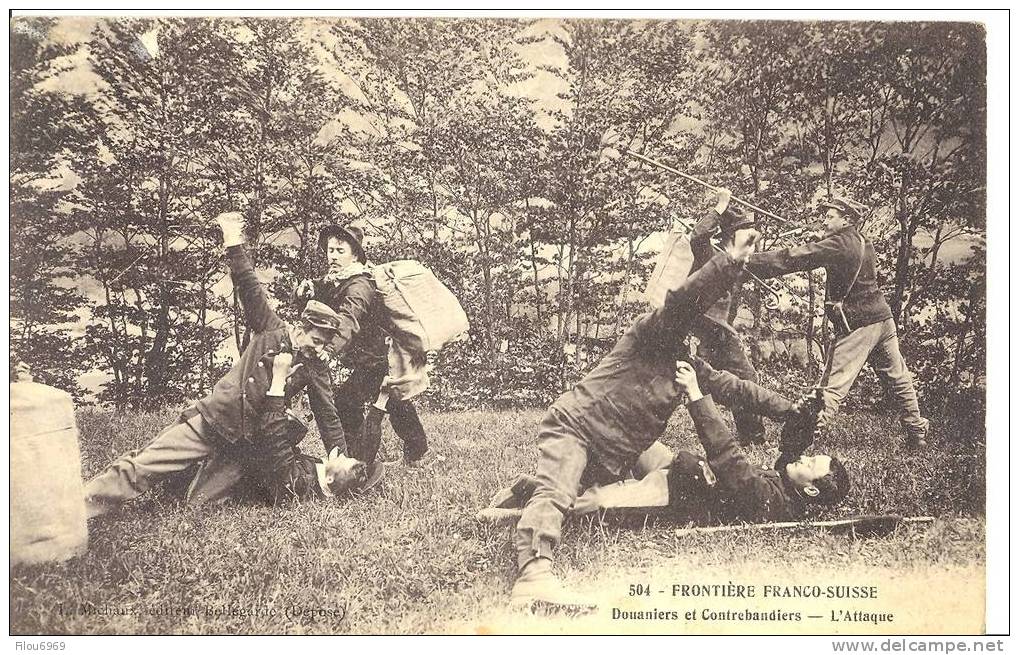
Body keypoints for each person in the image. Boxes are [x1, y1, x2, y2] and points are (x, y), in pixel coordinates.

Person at [507, 228, 762, 610]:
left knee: (566, 492)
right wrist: (728, 261)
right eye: (700, 323)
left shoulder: (685, 361)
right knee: (557, 494)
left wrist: (794, 410)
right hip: (576, 426)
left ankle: (522, 492)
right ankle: (534, 576)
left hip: (609, 452)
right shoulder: (653, 329)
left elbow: (737, 389)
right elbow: (682, 301)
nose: (702, 335)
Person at [83, 212, 372, 518]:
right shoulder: (270, 330)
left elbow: (328, 413)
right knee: (145, 465)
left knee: (198, 505)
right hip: (215, 421)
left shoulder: (314, 365)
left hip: (243, 446)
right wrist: (232, 240)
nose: (317, 349)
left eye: (324, 344)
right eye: (314, 340)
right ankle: (82, 504)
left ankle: (186, 481)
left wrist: (338, 453)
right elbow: (248, 285)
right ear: (300, 329)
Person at [485, 363, 848, 526]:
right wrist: (804, 413)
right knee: (629, 440)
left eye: (812, 462)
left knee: (594, 503)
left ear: (812, 492)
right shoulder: (789, 483)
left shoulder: (772, 502)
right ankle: (549, 484)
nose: (805, 456)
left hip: (676, 493)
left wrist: (696, 397)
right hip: (680, 467)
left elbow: (729, 459)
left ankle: (525, 506)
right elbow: (791, 450)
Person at [747, 197, 929, 448]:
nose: (824, 219)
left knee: (833, 385)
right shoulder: (863, 240)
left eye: (830, 216)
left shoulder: (839, 245)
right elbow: (826, 249)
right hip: (883, 319)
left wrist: (747, 261)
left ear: (846, 219)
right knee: (898, 377)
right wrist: (820, 237)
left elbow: (793, 258)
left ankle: (805, 439)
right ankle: (916, 431)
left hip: (859, 324)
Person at [295, 224, 430, 468]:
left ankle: (359, 458)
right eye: (330, 250)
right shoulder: (340, 279)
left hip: (380, 357)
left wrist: (329, 349)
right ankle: (411, 449)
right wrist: (308, 288)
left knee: (350, 402)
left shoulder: (359, 286)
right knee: (392, 401)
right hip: (370, 357)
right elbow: (326, 288)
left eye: (340, 251)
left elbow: (349, 318)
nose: (333, 256)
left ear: (355, 255)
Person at [688, 188, 766, 445]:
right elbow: (698, 235)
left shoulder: (740, 260)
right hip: (698, 332)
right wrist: (720, 206)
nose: (752, 239)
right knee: (677, 384)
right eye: (747, 232)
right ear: (731, 234)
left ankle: (752, 437)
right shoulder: (707, 254)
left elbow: (776, 262)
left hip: (721, 334)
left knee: (746, 379)